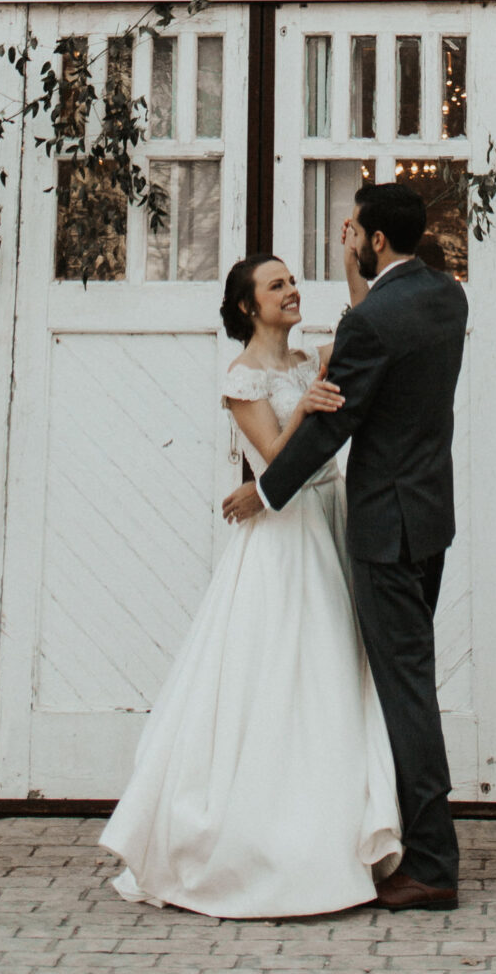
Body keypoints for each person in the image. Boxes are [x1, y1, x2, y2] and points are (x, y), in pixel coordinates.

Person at [99, 251, 402, 918]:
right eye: (276, 286)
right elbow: (273, 456)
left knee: (337, 671)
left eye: (292, 281)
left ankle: (340, 821)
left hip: (331, 513)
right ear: (247, 306)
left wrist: (358, 254)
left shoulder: (312, 361)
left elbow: (360, 314)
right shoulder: (242, 377)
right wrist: (310, 411)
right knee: (286, 668)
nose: (291, 291)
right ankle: (261, 840)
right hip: (286, 533)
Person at [222, 178, 468, 912]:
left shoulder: (369, 326)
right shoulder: (447, 297)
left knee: (403, 690)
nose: (349, 239)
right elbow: (379, 322)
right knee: (405, 680)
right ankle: (402, 836)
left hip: (383, 530)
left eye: (355, 231)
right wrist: (363, 267)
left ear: (375, 239)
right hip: (429, 517)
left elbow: (333, 424)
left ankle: (430, 863)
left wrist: (264, 492)